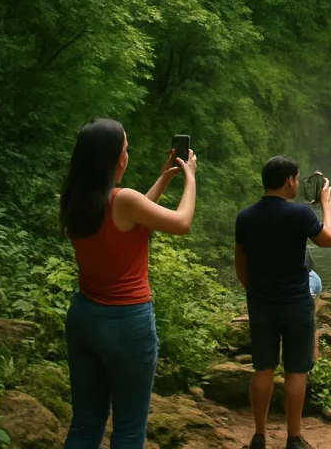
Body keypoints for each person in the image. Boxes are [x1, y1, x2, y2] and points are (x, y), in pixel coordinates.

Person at [59, 117, 198, 448]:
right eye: (126, 148)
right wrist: (190, 179)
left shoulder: (76, 198)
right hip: (126, 323)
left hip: (84, 317)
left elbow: (131, 219)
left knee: (86, 422)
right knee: (128, 428)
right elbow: (181, 223)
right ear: (114, 158)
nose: (127, 155)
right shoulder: (123, 199)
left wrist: (163, 180)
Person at [235, 159, 331, 449]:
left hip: (261, 302)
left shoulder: (246, 217)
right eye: (296, 178)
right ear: (289, 181)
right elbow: (328, 239)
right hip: (295, 303)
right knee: (295, 370)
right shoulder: (301, 213)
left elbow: (240, 261)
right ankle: (294, 437)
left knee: (263, 368)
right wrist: (326, 203)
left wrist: (252, 288)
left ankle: (259, 436)